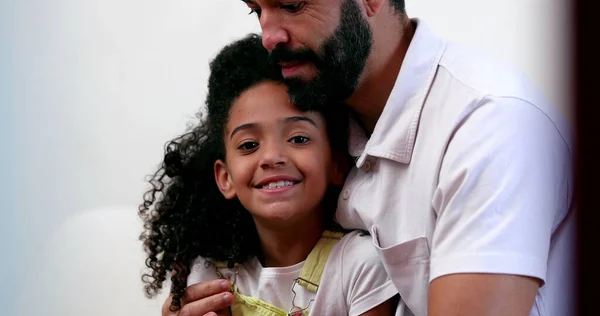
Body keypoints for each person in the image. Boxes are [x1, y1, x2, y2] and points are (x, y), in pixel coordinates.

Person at [168, 0, 575, 315]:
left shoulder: (489, 124)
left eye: (292, 4)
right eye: (257, 10)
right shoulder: (331, 120)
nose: (268, 35)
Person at [139, 34, 399, 316]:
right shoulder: (209, 273)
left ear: (336, 163)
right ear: (225, 177)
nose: (272, 157)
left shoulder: (362, 267)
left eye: (299, 139)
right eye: (249, 145)